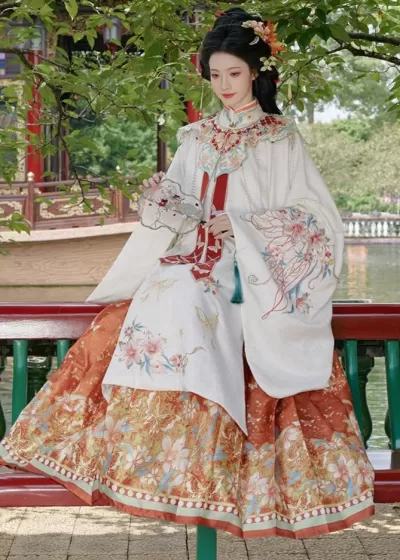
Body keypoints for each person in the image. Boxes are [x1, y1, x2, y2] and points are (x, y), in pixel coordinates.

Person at [0, 8, 374, 539]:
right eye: (215, 75)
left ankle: (216, 469)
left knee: (192, 302)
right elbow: (180, 211)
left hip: (248, 272)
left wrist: (242, 225)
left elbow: (316, 220)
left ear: (257, 73)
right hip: (190, 262)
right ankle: (151, 462)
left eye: (234, 73)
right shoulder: (195, 137)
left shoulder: (279, 139)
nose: (224, 85)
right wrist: (163, 203)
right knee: (156, 301)